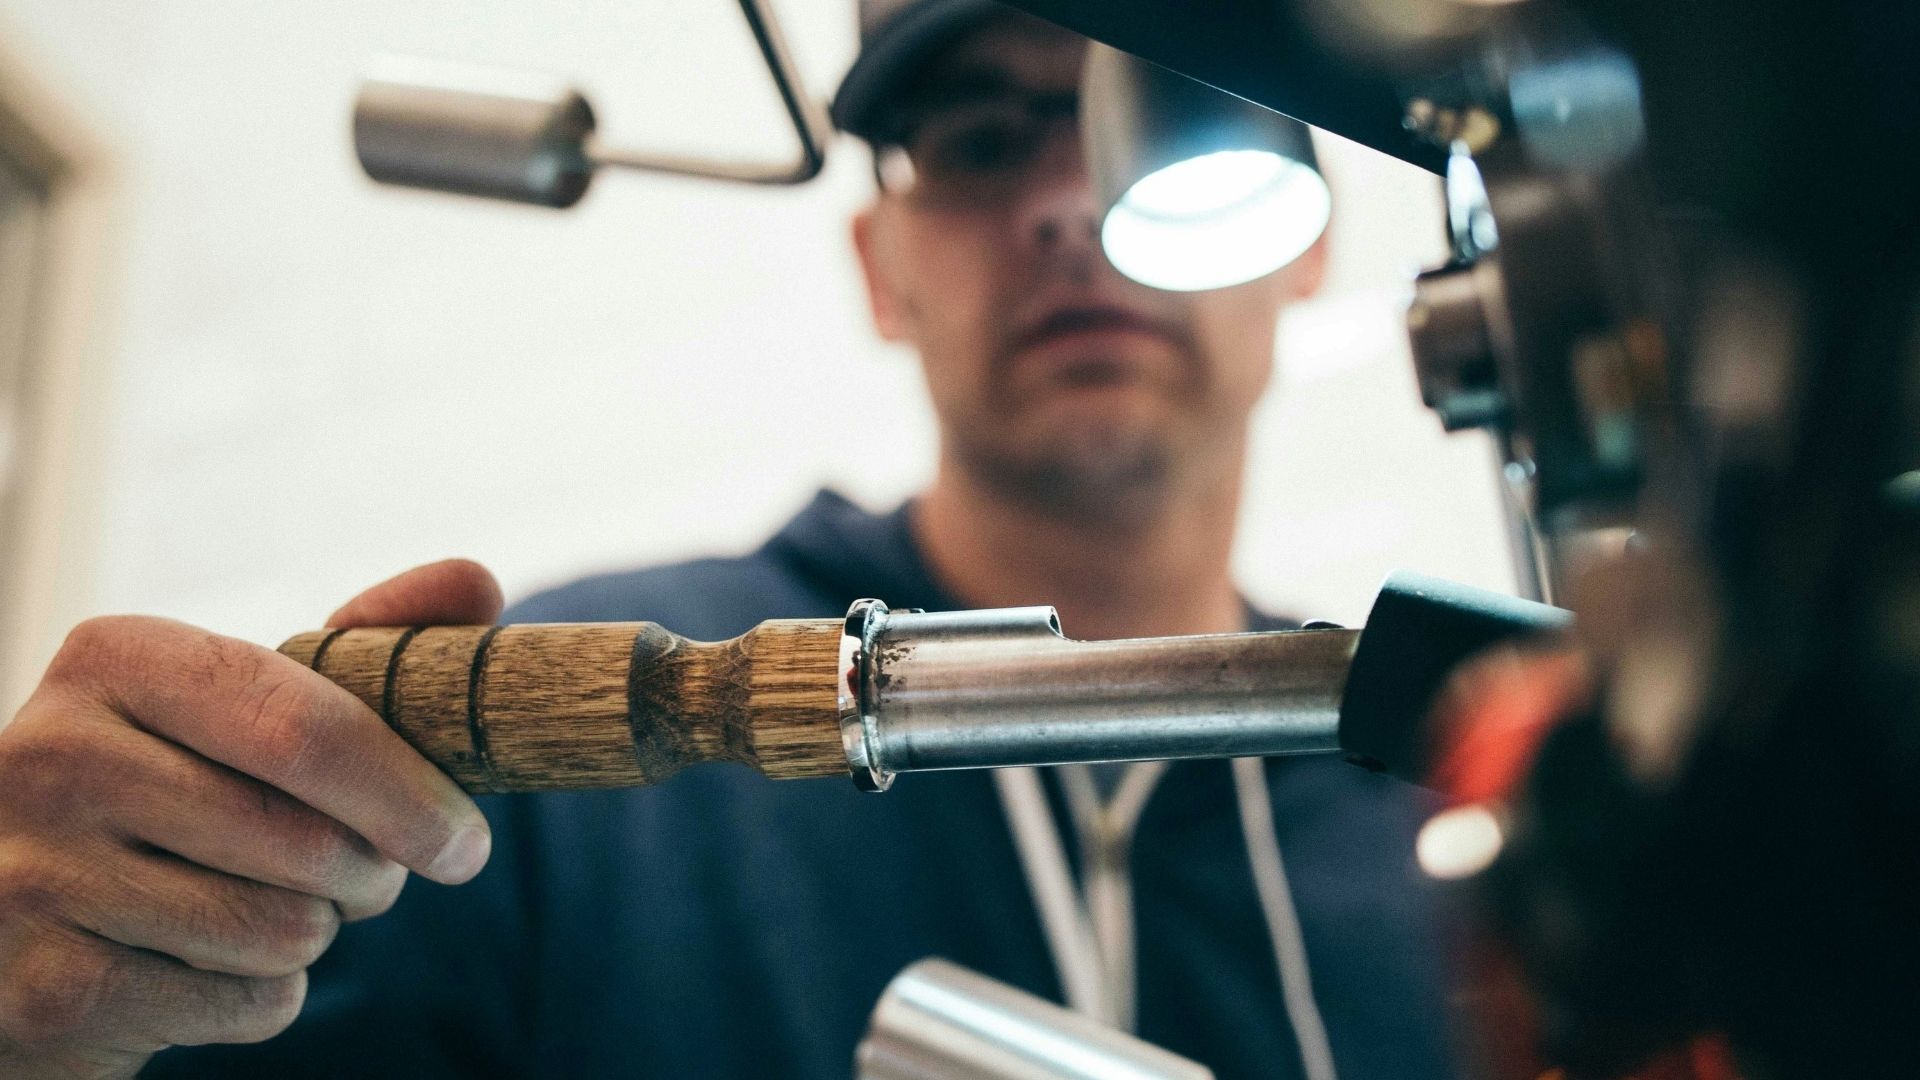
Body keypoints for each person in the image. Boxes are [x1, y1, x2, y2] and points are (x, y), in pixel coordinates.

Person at [0, 3, 1453, 1077]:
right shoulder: (553, 773)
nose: (1072, 205)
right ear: (883, 271)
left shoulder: (1444, 824)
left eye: (1169, 119)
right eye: (979, 140)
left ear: (1307, 236)